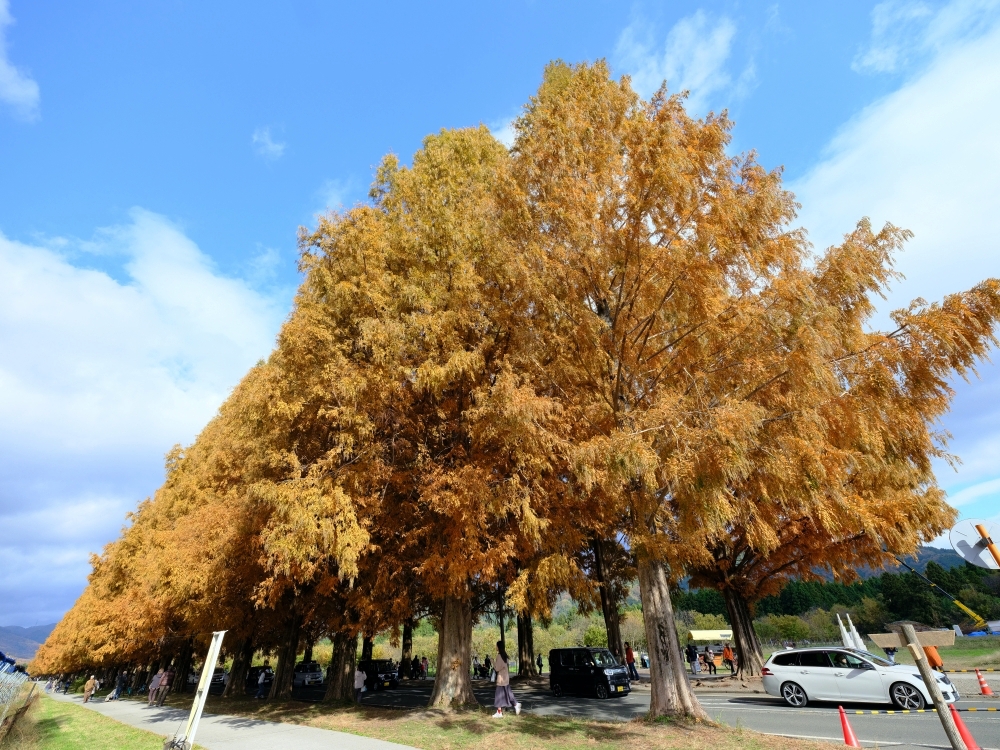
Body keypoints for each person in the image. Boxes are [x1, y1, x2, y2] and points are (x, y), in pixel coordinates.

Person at [491, 641, 520, 718]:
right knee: (508, 693)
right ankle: (515, 704)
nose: (495, 647)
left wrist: (492, 661)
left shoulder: (499, 656)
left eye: (496, 646)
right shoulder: (505, 656)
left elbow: (497, 668)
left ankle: (500, 712)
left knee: (498, 695)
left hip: (501, 679)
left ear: (499, 647)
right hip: (506, 678)